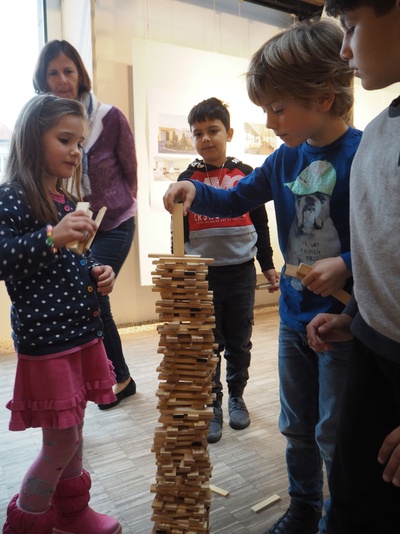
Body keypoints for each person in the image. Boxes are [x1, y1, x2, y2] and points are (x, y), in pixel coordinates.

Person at [163, 18, 362, 534]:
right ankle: (303, 507)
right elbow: (236, 198)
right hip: (295, 320)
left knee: (333, 433)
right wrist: (195, 192)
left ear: (323, 98)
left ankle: (336, 518)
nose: (269, 121)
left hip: (344, 324)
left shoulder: (363, 155)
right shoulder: (283, 159)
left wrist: (347, 263)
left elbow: (386, 240)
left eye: (277, 108)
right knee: (295, 427)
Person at [1, 95, 122, 533]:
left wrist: (97, 271)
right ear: (33, 139)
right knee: (61, 440)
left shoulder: (67, 201)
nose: (75, 151)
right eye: (65, 139)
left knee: (75, 431)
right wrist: (52, 237)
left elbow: (74, 259)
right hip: (47, 342)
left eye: (80, 143)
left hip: (80, 334)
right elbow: (4, 258)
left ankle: (73, 513)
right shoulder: (11, 197)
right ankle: (26, 523)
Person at [305, 2, 400, 533]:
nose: (345, 50)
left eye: (353, 27)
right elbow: (383, 250)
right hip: (371, 349)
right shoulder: (382, 132)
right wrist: (357, 316)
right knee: (351, 502)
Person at [33, 40, 137, 409]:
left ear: (80, 74)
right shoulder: (41, 124)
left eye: (68, 70)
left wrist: (119, 203)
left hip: (114, 221)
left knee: (94, 291)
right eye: (53, 72)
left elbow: (131, 170)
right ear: (43, 79)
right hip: (70, 219)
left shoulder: (109, 117)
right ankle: (101, 377)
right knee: (83, 293)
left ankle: (118, 378)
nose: (61, 79)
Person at [176, 97, 278, 443]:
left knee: (238, 342)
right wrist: (180, 272)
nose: (206, 138)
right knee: (207, 344)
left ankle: (236, 397)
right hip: (202, 277)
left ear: (229, 133)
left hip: (241, 273)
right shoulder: (187, 178)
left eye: (213, 130)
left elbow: (261, 223)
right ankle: (213, 404)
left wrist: (268, 265)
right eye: (198, 133)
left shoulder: (245, 174)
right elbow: (179, 231)